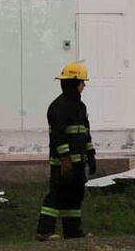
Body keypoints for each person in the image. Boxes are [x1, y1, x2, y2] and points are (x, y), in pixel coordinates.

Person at [36, 61, 96, 241]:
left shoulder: (80, 106)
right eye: (82, 82)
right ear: (73, 83)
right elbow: (58, 136)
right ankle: (44, 231)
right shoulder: (58, 106)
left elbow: (85, 132)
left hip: (78, 162)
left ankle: (72, 231)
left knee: (75, 195)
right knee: (57, 194)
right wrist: (65, 159)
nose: (84, 85)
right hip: (62, 163)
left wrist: (91, 155)